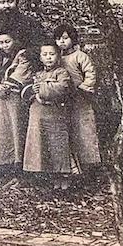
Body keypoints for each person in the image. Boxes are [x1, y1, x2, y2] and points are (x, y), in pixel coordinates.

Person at [21, 42, 75, 189]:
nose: (48, 57)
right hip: (39, 114)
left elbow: (63, 88)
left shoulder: (62, 73)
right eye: (45, 55)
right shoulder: (38, 74)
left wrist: (43, 87)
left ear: (58, 56)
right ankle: (51, 177)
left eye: (52, 54)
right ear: (40, 58)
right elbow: (27, 91)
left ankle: (64, 178)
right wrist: (33, 90)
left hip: (55, 114)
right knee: (42, 144)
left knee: (58, 144)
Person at [0, 26, 33, 172]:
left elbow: (22, 72)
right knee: (1, 131)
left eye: (7, 41)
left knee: (16, 129)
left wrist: (6, 86)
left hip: (14, 97)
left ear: (15, 40)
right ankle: (3, 164)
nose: (4, 45)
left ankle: (18, 163)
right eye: (1, 42)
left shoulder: (23, 55)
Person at [54, 23, 101, 171]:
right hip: (64, 99)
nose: (62, 42)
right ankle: (73, 168)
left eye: (65, 38)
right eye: (58, 39)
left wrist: (83, 88)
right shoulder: (56, 58)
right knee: (68, 131)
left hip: (81, 98)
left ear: (73, 39)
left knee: (84, 130)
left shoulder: (80, 56)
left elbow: (90, 73)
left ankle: (90, 165)